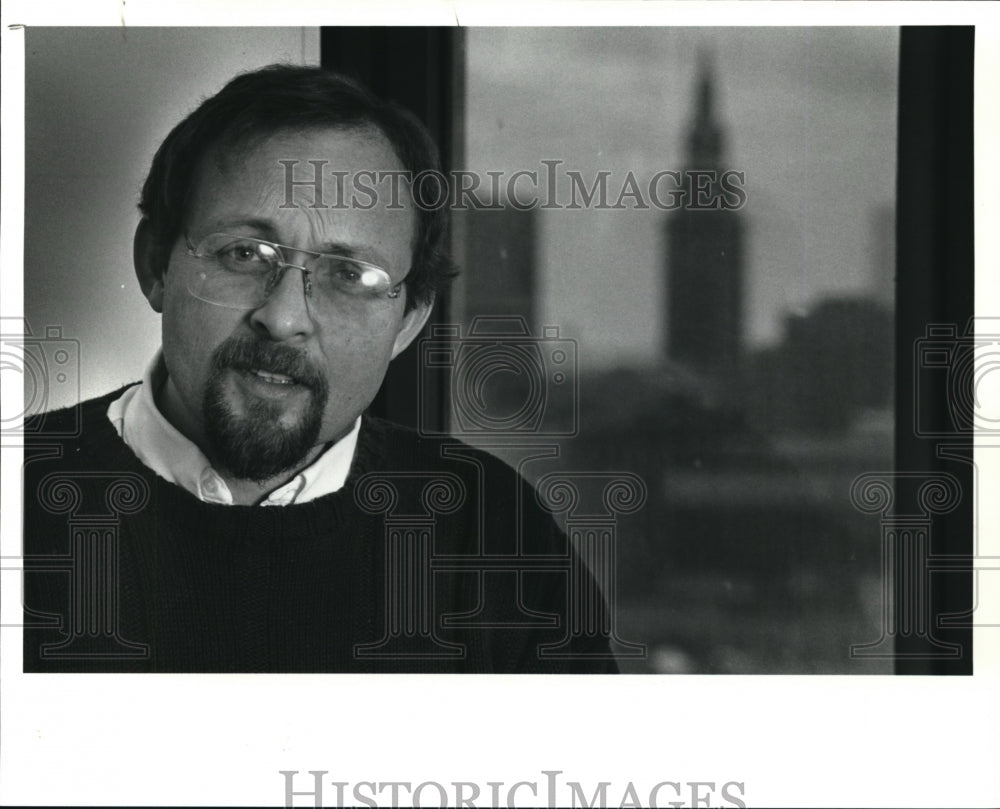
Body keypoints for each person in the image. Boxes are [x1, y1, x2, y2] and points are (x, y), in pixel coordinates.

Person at [22, 64, 618, 673]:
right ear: (155, 265)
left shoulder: (495, 531)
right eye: (243, 253)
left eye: (351, 275)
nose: (284, 318)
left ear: (408, 322)